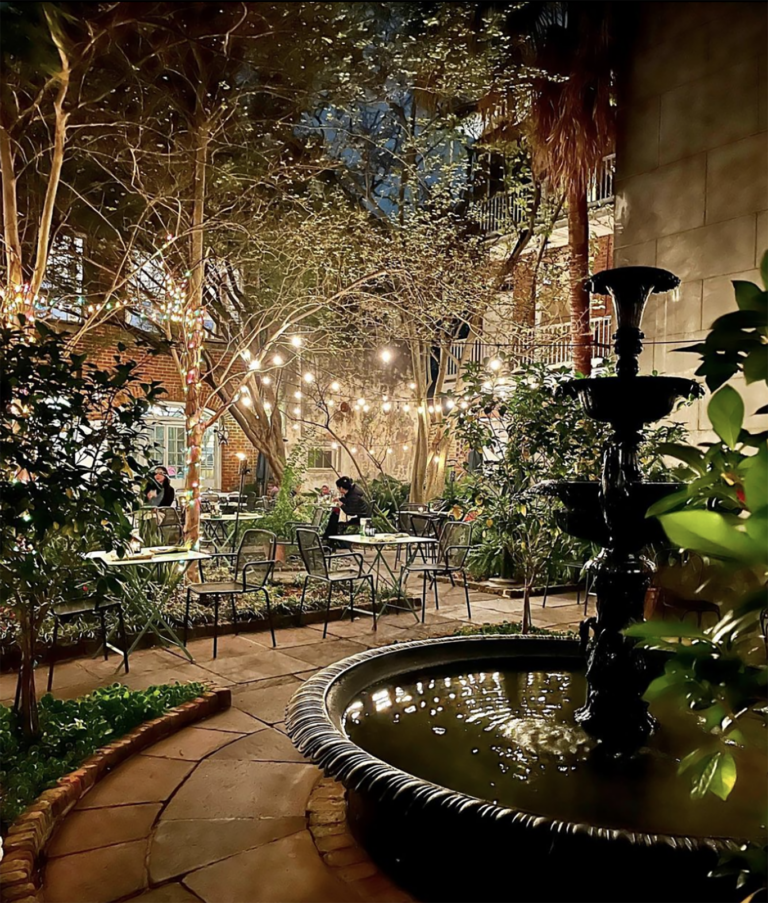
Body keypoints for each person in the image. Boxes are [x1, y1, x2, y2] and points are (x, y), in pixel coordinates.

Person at [323, 476, 371, 543]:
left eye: (338, 488)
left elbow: (350, 512)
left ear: (341, 488)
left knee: (334, 520)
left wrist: (341, 505)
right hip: (359, 515)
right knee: (334, 516)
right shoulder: (352, 491)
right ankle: (328, 539)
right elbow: (349, 501)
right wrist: (340, 499)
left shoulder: (354, 496)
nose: (338, 490)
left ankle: (330, 541)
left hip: (361, 518)